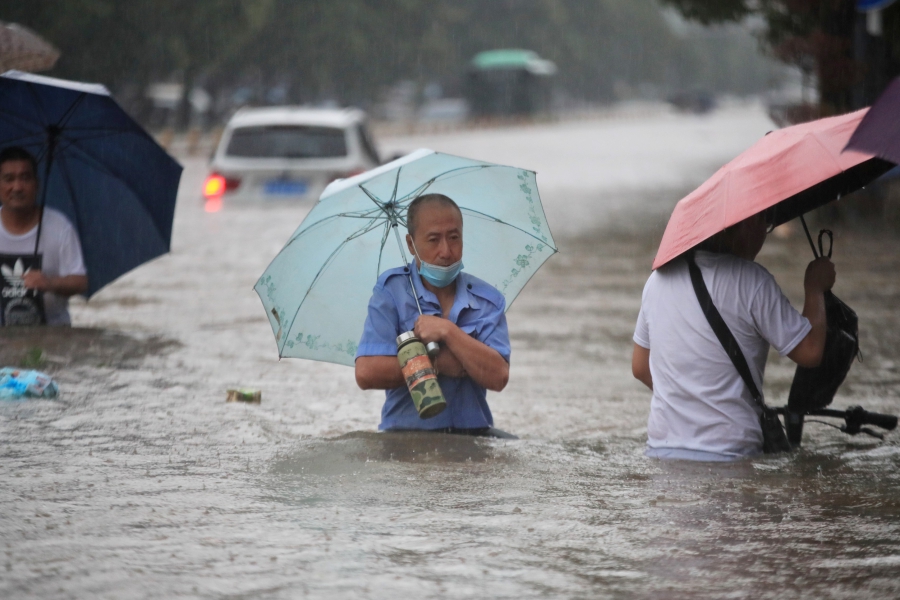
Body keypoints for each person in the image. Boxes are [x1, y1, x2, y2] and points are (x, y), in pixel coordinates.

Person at [631, 211, 835, 461]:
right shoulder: (752, 281)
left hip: (662, 451)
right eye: (764, 223)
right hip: (730, 454)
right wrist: (815, 289)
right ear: (743, 226)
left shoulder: (657, 280)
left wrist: (689, 399)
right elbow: (810, 350)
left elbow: (640, 367)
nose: (764, 233)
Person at [355, 193, 511, 434]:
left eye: (454, 238)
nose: (446, 251)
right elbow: (366, 372)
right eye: (433, 240)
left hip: (474, 437)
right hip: (406, 437)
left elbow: (499, 376)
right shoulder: (391, 293)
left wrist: (448, 332)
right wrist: (438, 363)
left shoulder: (487, 300)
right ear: (411, 244)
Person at [0, 146, 87, 326]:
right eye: (9, 179)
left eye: (25, 178)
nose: (17, 187)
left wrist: (49, 283)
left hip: (52, 335)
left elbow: (80, 281)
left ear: (36, 184)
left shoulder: (59, 226)